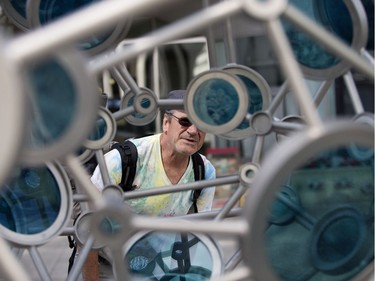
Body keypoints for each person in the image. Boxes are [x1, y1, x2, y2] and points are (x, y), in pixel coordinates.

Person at [80, 89, 216, 281]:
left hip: (159, 268)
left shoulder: (205, 172)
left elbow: (200, 236)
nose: (193, 131)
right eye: (185, 121)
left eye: (201, 124)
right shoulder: (123, 160)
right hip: (109, 265)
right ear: (166, 123)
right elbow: (87, 230)